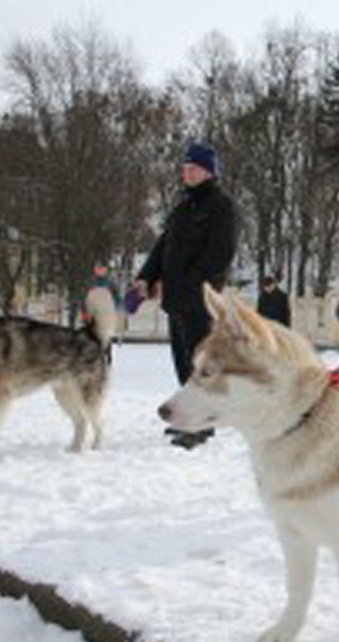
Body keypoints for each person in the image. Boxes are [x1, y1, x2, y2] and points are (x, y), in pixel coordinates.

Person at [134, 141, 239, 449]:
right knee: (182, 364)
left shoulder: (221, 207)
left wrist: (191, 284)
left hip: (200, 301)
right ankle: (188, 419)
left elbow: (220, 254)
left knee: (200, 366)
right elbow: (163, 247)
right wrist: (146, 276)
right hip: (176, 301)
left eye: (194, 167)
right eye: (185, 167)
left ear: (209, 171)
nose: (187, 172)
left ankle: (201, 425)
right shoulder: (183, 207)